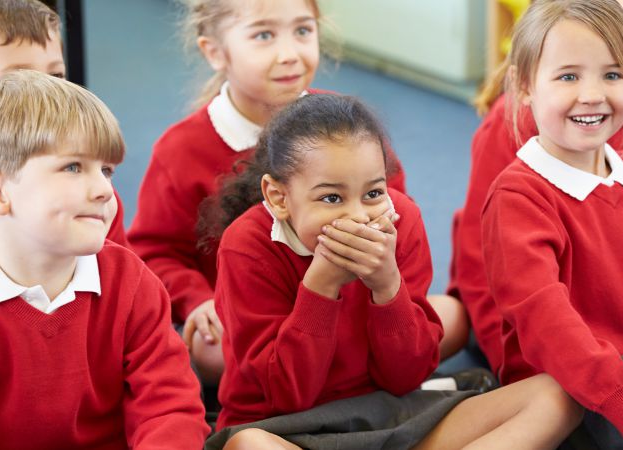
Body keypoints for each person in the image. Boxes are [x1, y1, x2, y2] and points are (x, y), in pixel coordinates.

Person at [197, 93, 582, 449]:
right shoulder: (247, 245)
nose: (359, 215)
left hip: (392, 413)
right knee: (248, 446)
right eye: (332, 198)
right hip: (289, 428)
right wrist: (321, 285)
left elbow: (405, 377)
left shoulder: (402, 221)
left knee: (557, 395)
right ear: (279, 198)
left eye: (373, 193)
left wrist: (387, 288)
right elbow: (288, 395)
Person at [126, 0, 411, 383]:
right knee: (215, 352)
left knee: (446, 315)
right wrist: (198, 301)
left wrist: (387, 287)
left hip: (351, 305)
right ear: (214, 51)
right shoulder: (180, 150)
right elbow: (154, 253)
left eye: (303, 31)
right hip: (248, 319)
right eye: (263, 35)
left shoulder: (352, 130)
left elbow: (397, 216)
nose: (290, 54)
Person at [477, 0, 623, 448]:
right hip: (567, 397)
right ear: (524, 86)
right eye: (568, 76)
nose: (593, 94)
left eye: (613, 75)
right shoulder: (518, 197)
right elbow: (548, 325)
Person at [0, 70, 209, 449]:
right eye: (73, 167)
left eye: (106, 170)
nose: (105, 190)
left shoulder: (130, 282)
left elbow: (170, 409)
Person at [0, 0, 129, 256]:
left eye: (56, 77)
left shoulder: (91, 198)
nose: (47, 93)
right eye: (17, 79)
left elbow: (118, 278)